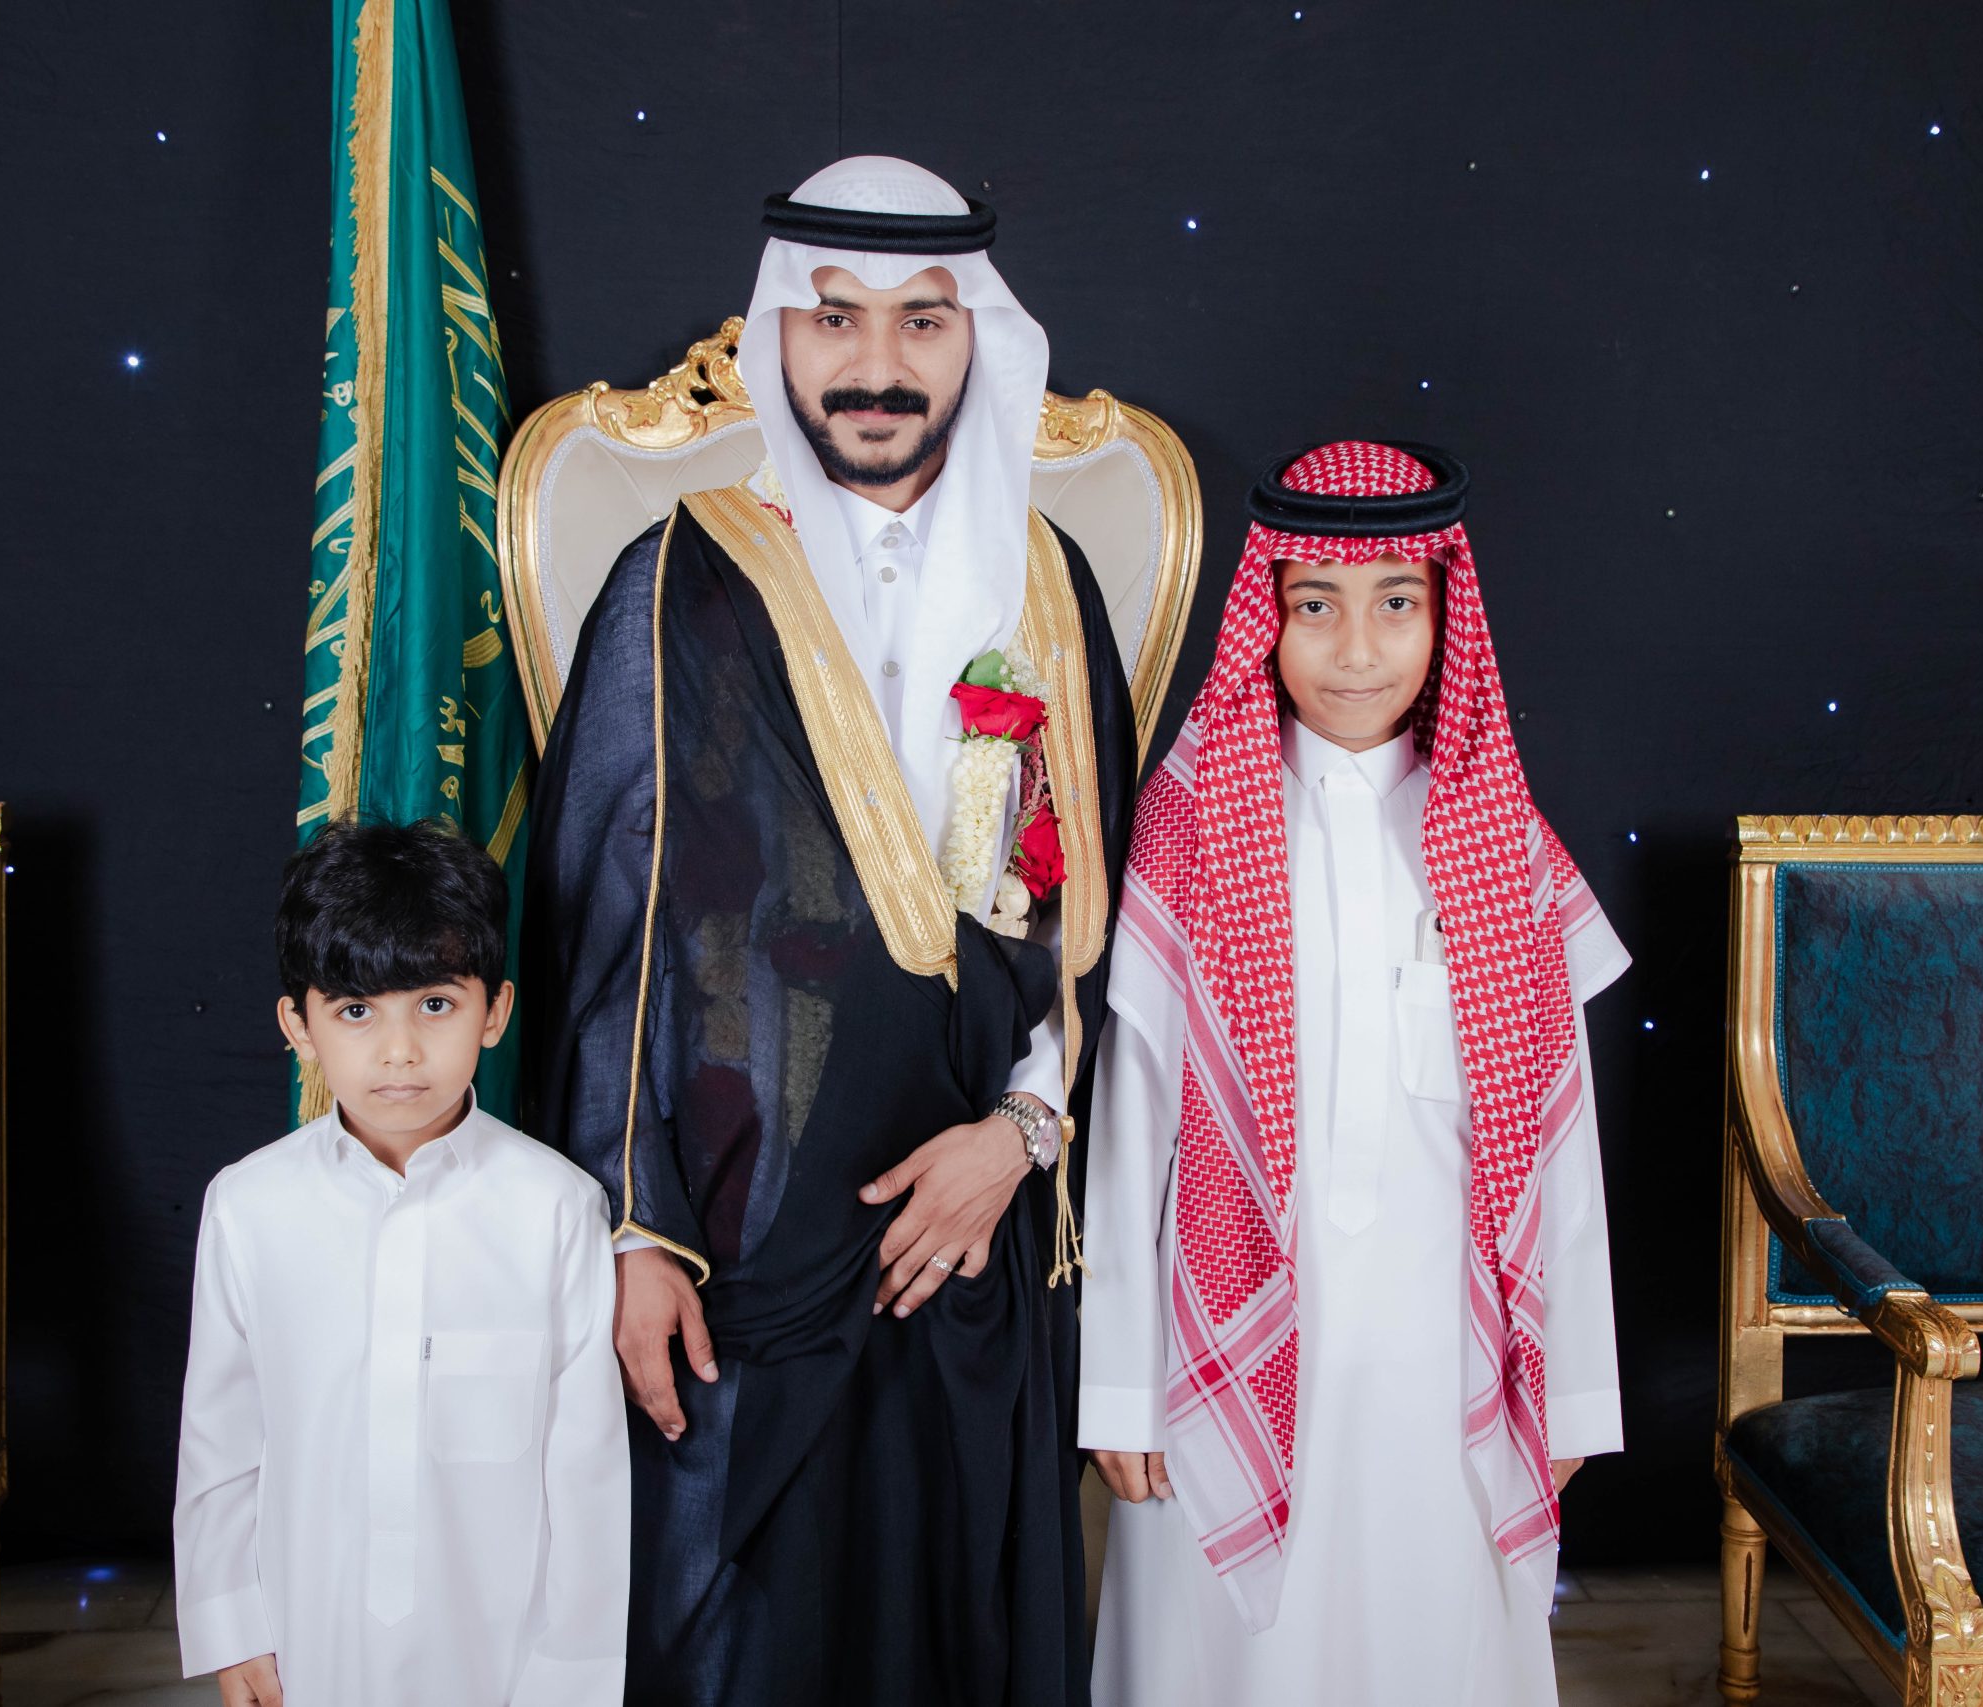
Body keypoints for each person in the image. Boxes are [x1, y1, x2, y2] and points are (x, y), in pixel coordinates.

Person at [522, 156, 1137, 1707]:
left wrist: (1022, 1134)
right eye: (835, 317)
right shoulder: (675, 577)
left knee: (967, 1629)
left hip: (980, 1226)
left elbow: (1107, 932)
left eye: (922, 320)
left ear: (976, 337)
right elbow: (608, 945)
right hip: (743, 1238)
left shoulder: (1049, 588)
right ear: (776, 335)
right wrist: (634, 1235)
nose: (877, 364)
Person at [1079, 442, 1628, 1704]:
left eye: (1395, 604)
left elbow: (1563, 1148)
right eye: (1315, 606)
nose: (1357, 650)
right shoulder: (1189, 827)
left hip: (1445, 1352)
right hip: (1217, 1340)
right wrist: (1117, 1384)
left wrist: (1571, 1391)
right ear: (1265, 617)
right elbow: (1132, 1126)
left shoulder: (1498, 839)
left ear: (1444, 617)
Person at [173, 818, 627, 1707]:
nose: (399, 1051)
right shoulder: (248, 1207)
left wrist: (569, 1676)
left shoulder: (556, 1208)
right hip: (311, 1635)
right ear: (298, 1025)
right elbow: (221, 1435)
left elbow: (586, 1472)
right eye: (356, 1011)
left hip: (503, 1655)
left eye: (435, 1005)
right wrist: (235, 1626)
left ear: (494, 1011)